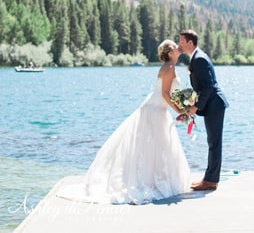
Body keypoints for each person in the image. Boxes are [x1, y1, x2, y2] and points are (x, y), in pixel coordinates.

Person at [59, 39, 190, 204]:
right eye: (174, 46)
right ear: (170, 53)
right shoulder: (169, 68)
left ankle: (152, 179)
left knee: (155, 146)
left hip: (158, 109)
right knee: (154, 145)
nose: (178, 48)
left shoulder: (169, 67)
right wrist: (179, 110)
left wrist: (183, 103)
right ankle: (151, 181)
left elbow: (171, 93)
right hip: (155, 110)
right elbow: (165, 94)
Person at [178, 29, 229, 191]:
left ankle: (211, 181)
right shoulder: (197, 57)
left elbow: (208, 86)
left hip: (214, 104)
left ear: (190, 43)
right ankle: (210, 179)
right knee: (212, 141)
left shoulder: (199, 59)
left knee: (214, 142)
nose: (180, 45)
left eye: (182, 42)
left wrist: (195, 106)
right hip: (212, 104)